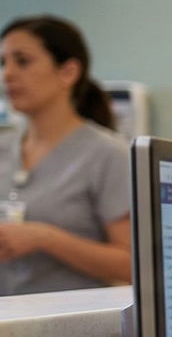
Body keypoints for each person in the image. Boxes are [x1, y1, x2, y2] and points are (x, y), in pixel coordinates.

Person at [0, 15, 132, 295]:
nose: (7, 74)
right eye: (3, 62)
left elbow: (131, 265)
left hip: (73, 333)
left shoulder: (108, 155)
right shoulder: (4, 148)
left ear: (68, 72)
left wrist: (44, 237)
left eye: (22, 61)